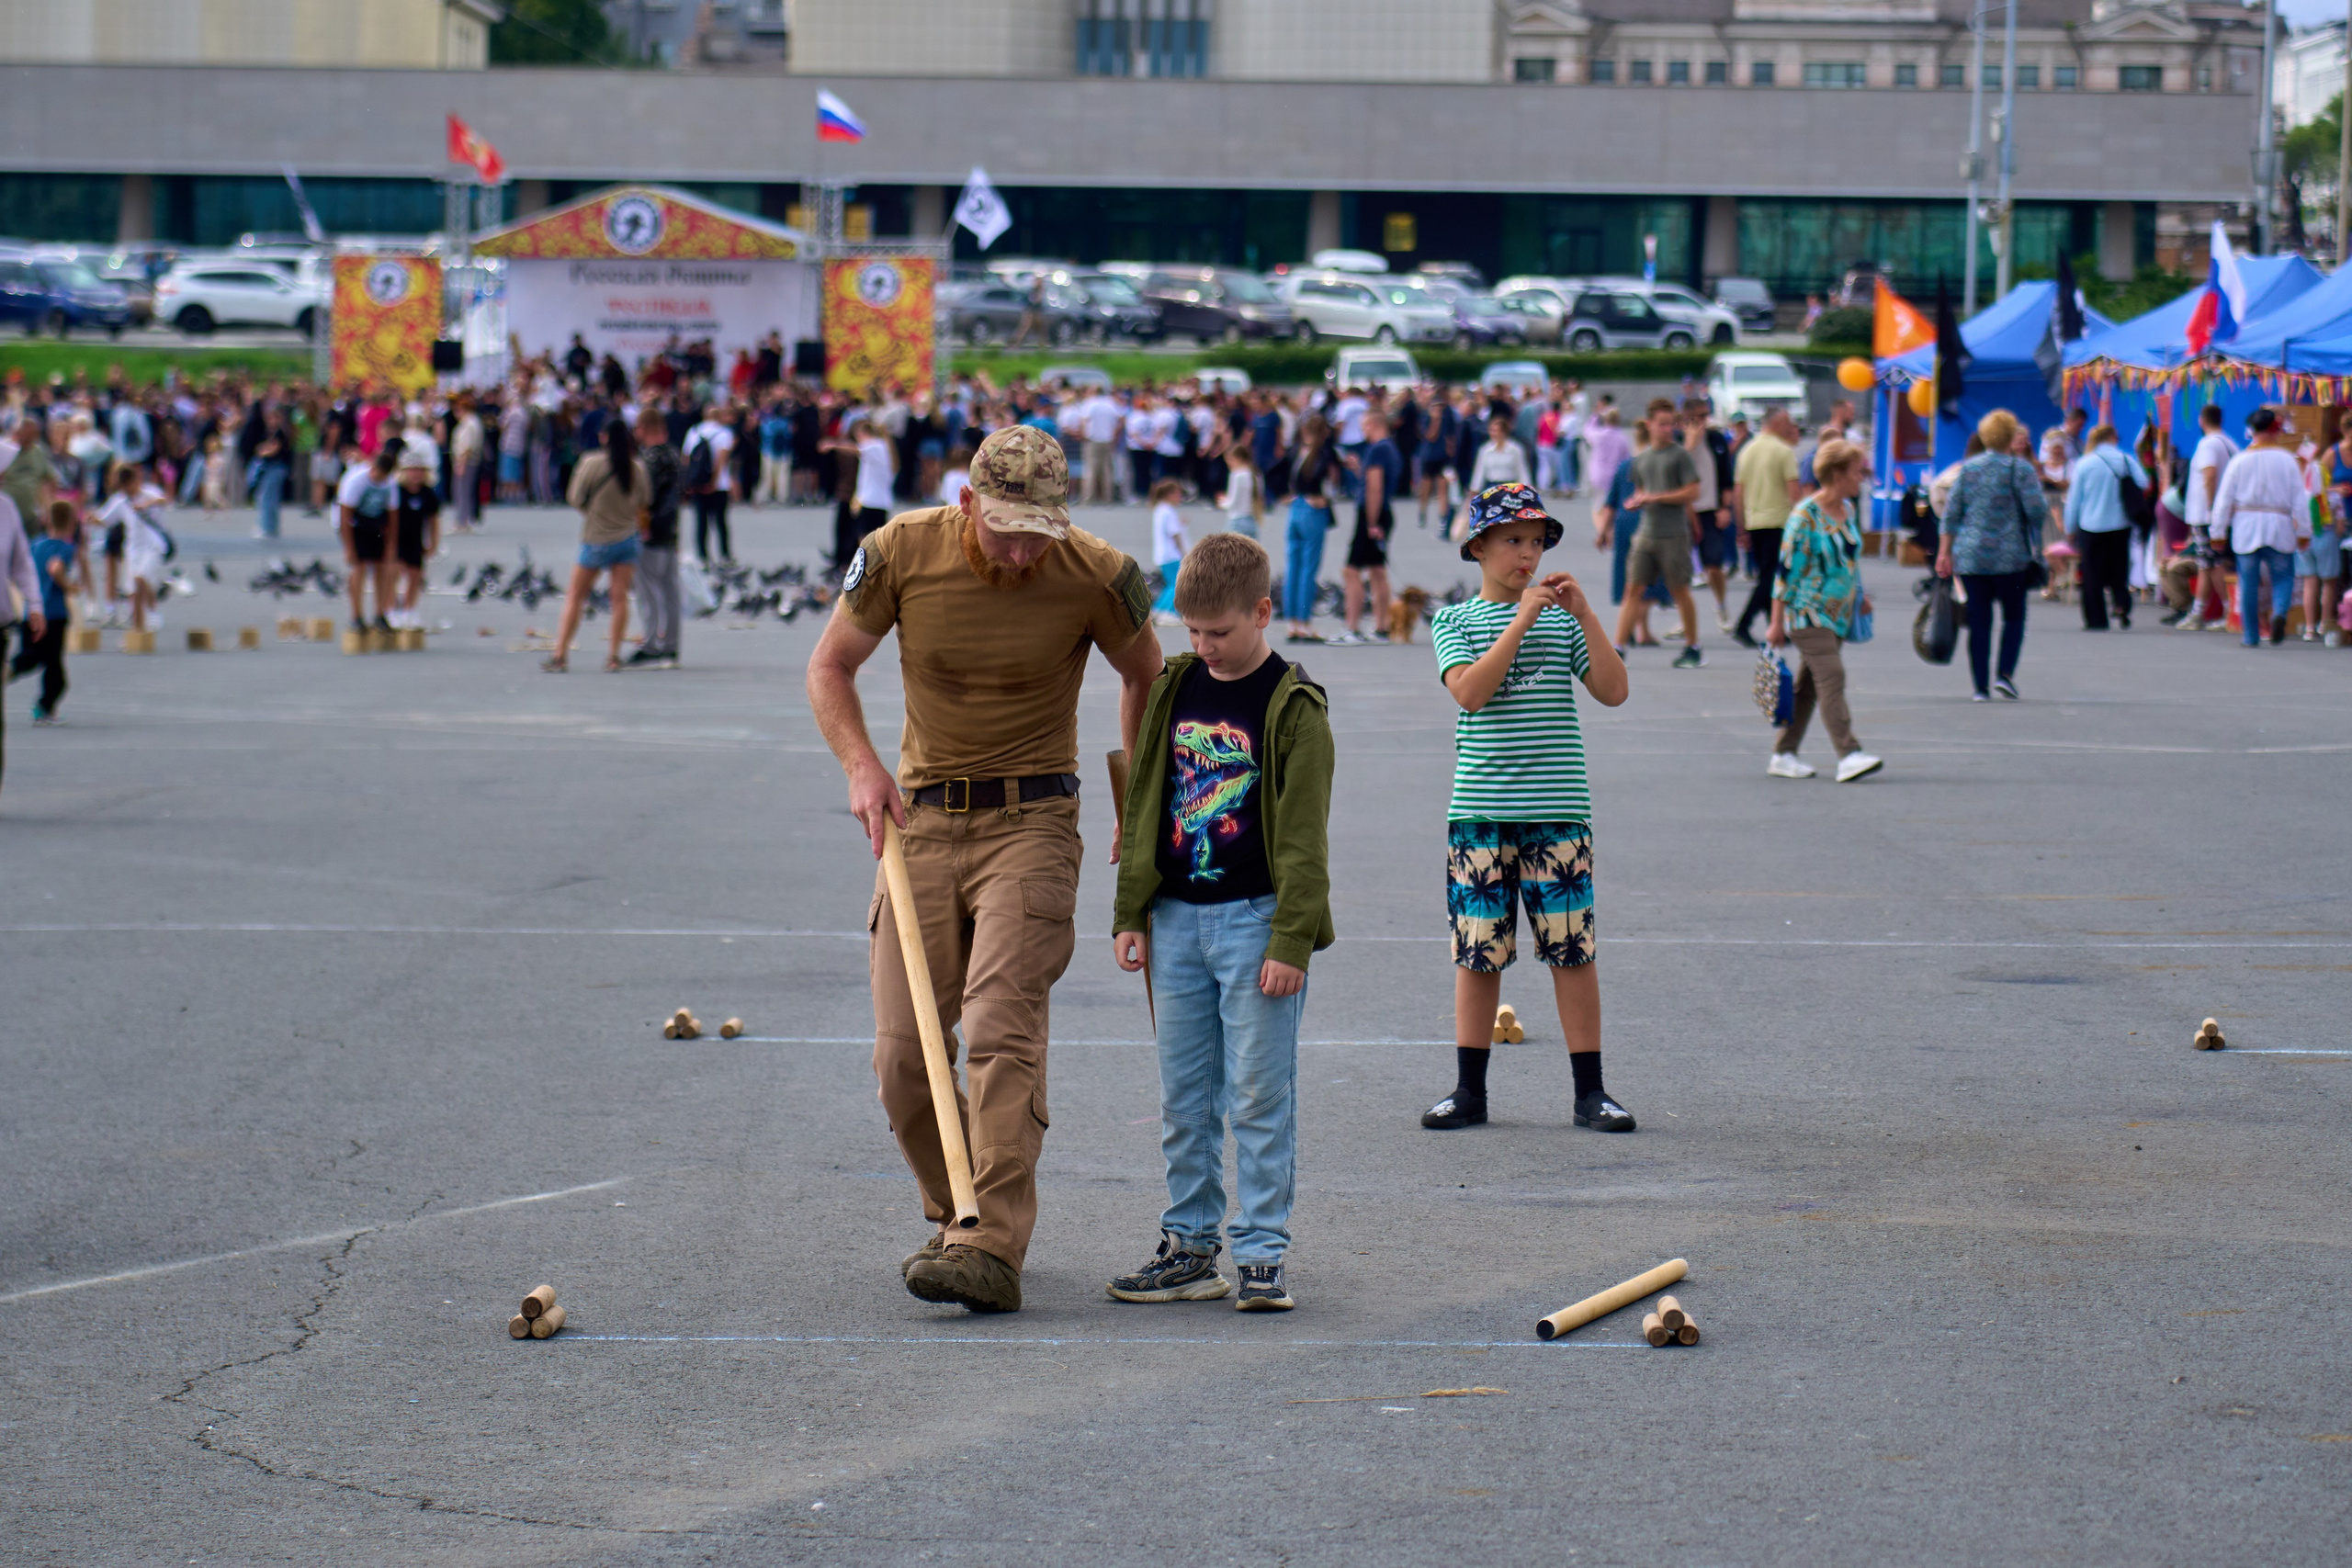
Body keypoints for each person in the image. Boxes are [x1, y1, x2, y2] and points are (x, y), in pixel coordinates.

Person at [804, 424, 1165, 1314]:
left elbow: (1145, 675)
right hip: (919, 822)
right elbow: (830, 667)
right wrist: (861, 766)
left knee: (1003, 1031)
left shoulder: (1096, 573)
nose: (1019, 551)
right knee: (901, 1057)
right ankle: (956, 1210)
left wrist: (1137, 804)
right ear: (965, 503)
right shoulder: (898, 553)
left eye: (1038, 532)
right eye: (1005, 529)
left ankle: (990, 1242)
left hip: (1034, 820)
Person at [1106, 533, 1334, 1313]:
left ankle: (1262, 1252)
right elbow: (1144, 802)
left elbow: (1304, 838)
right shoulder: (1175, 686)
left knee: (1260, 1095)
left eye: (1220, 633)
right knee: (1185, 1096)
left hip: (1254, 921)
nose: (1204, 647)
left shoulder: (1293, 707)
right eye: (1192, 632)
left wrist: (1291, 938)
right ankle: (1190, 1245)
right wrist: (1130, 910)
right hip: (1174, 919)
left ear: (1263, 612)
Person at [1419, 482, 1632, 1134]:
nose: (1527, 554)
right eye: (1513, 540)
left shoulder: (1564, 620)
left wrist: (1587, 615)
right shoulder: (1454, 621)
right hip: (1482, 810)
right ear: (1477, 547)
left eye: (1536, 542)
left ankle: (1590, 1090)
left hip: (1558, 808)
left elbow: (1614, 690)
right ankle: (1469, 1088)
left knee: (1573, 950)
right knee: (1479, 952)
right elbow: (1471, 693)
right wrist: (1522, 620)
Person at [1765, 439, 1882, 784]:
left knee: (1809, 689)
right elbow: (1785, 572)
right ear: (1836, 474)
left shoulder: (1846, 510)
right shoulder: (1805, 516)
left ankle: (1784, 753)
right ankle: (1848, 754)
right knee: (1832, 676)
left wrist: (1858, 594)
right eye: (1856, 472)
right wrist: (1776, 623)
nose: (1861, 478)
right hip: (1808, 613)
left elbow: (1848, 559)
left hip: (1839, 615)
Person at [1936, 409, 2048, 701]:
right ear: (2011, 437)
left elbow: (1951, 513)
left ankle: (1980, 687)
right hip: (2011, 557)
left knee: (1979, 621)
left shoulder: (1968, 469)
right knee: (2013, 618)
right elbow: (2037, 512)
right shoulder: (2020, 469)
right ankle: (2005, 675)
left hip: (1972, 557)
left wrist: (1944, 552)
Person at [543, 419, 642, 674]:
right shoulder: (636, 468)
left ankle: (560, 654)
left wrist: (591, 511)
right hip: (626, 537)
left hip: (596, 536)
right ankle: (613, 655)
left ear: (604, 437)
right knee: (619, 598)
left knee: (576, 595)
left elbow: (574, 497)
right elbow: (643, 501)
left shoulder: (591, 463)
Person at [1613, 400, 1706, 669]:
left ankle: (1693, 646)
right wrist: (1637, 500)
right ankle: (1618, 648)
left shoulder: (1680, 456)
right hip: (1647, 532)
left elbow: (1693, 492)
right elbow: (1642, 491)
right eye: (1662, 424)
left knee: (1680, 591)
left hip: (1673, 534)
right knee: (1633, 588)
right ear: (1650, 424)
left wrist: (1657, 497)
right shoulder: (1641, 459)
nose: (1667, 429)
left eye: (1670, 424)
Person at [2209, 407, 2312, 649]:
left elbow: (2223, 500)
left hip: (2246, 527)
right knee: (2284, 576)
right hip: (2280, 525)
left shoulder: (2239, 462)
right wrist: (2304, 531)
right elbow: (2299, 499)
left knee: (2248, 582)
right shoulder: (2287, 460)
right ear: (2275, 430)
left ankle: (2251, 635)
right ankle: (2279, 614)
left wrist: (2217, 532)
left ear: (2252, 430)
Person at [1732, 407, 1803, 647]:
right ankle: (1744, 623)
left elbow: (1738, 492)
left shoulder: (1746, 451)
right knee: (1771, 578)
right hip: (1778, 520)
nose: (1790, 427)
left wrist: (1741, 527)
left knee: (1767, 575)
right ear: (1777, 422)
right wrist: (1804, 523)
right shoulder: (1784, 452)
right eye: (1787, 422)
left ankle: (1775, 625)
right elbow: (1794, 493)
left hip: (1755, 520)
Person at [2064, 423, 2145, 631]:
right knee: (2119, 569)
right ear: (2112, 437)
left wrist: (2070, 527)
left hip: (2091, 525)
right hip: (2120, 523)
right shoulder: (2125, 460)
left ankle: (2096, 619)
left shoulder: (2085, 463)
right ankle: (2121, 605)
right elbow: (2143, 482)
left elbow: (2075, 499)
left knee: (2092, 574)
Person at [1596, 418, 1668, 648]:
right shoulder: (1657, 464)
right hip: (1648, 524)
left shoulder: (1624, 466)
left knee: (1631, 578)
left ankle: (1640, 629)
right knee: (1649, 580)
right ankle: (1633, 628)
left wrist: (1603, 531)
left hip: (1623, 524)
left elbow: (1610, 503)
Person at [628, 408, 684, 671]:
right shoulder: (674, 455)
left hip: (650, 531)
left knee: (648, 590)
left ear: (645, 427)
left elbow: (643, 498)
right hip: (671, 531)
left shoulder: (647, 460)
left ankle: (651, 644)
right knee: (670, 590)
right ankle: (671, 645)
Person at [1338, 408, 1399, 644]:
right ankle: (1381, 626)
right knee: (1377, 570)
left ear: (1374, 424)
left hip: (1371, 514)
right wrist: (1358, 469)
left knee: (1351, 570)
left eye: (1364, 425)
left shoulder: (1377, 449)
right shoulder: (1389, 449)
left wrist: (1371, 522)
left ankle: (1352, 627)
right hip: (1384, 512)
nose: (1362, 430)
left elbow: (1375, 486)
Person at [12, 500, 73, 726]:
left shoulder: (36, 544)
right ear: (70, 523)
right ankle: (44, 707)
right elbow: (56, 569)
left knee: (31, 657)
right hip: (54, 615)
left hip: (31, 612)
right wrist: (70, 586)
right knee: (55, 669)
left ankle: (12, 668)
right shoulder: (65, 548)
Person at [1282, 412, 1340, 644]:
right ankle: (1305, 622)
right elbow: (1331, 483)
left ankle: (1292, 623)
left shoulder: (1296, 450)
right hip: (1313, 509)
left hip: (1296, 505)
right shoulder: (1324, 454)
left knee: (1292, 566)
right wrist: (1325, 498)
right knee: (1309, 568)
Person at [1682, 399, 1737, 633]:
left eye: (1706, 416)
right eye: (1698, 417)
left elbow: (1727, 478)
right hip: (1684, 511)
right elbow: (1674, 471)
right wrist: (1690, 445)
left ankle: (1721, 605)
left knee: (1714, 565)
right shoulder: (1678, 443)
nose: (1704, 422)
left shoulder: (1716, 440)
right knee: (1680, 570)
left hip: (1709, 510)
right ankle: (1685, 617)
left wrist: (1725, 508)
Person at [335, 444, 399, 636]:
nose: (379, 479)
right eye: (377, 475)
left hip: (376, 525)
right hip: (355, 525)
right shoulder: (357, 481)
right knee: (359, 568)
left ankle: (380, 614)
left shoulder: (390, 484)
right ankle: (356, 616)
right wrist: (349, 548)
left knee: (382, 568)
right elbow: (344, 516)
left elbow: (393, 517)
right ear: (373, 468)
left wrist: (391, 546)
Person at [2303, 421, 2348, 648]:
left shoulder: (2304, 495)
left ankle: (2309, 628)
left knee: (2310, 583)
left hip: (2307, 537)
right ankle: (2323, 623)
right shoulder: (2334, 498)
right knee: (2329, 583)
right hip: (2329, 536)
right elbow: (2340, 525)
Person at [390, 446, 441, 632]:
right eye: (413, 470)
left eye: (420, 470)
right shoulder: (396, 491)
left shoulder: (428, 494)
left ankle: (409, 611)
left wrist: (433, 543)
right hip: (397, 539)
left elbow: (433, 521)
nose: (416, 474)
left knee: (415, 576)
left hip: (415, 539)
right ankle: (392, 610)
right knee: (395, 575)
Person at [684, 404, 735, 563]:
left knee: (701, 521)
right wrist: (713, 481)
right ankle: (725, 554)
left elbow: (686, 457)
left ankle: (702, 555)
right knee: (721, 521)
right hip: (719, 485)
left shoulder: (694, 431)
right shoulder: (724, 433)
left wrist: (690, 480)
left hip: (698, 483)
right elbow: (721, 459)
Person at [1148, 477, 1189, 620]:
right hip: (1172, 555)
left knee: (1171, 584)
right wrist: (1185, 554)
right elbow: (1175, 535)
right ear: (1170, 494)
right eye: (1178, 494)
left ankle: (1158, 609)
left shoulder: (1160, 510)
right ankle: (1166, 611)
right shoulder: (1168, 511)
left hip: (1163, 555)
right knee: (1176, 585)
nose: (1180, 497)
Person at [1218, 440, 1260, 539]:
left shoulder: (1237, 475)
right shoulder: (1257, 475)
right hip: (1252, 521)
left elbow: (1233, 503)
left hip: (1237, 520)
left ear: (1238, 458)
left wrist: (1222, 503)